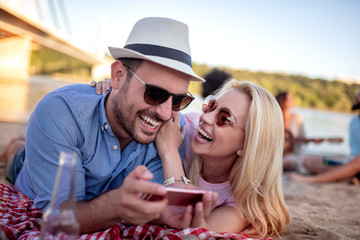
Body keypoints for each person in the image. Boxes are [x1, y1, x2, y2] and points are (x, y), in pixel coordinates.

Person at [0, 17, 219, 233]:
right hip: (31, 175)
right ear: (118, 76)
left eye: (179, 100)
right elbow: (60, 218)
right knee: (17, 158)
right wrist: (115, 205)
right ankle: (15, 149)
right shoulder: (62, 111)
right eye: (155, 93)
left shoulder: (171, 129)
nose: (165, 112)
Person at [155, 80, 290, 237]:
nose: (205, 118)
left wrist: (169, 152)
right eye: (211, 105)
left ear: (248, 144)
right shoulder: (187, 128)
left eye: (224, 118)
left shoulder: (245, 200)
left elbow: (193, 230)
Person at [290, 90, 360, 184]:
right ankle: (346, 175)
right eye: (358, 94)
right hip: (348, 163)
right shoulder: (354, 120)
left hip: (357, 163)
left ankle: (312, 180)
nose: (357, 96)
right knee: (308, 160)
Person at [275, 92, 306, 171]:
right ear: (282, 101)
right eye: (289, 99)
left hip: (290, 155)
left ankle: (276, 167)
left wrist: (313, 140)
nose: (292, 101)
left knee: (290, 160)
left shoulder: (297, 118)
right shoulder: (273, 116)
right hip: (274, 153)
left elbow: (303, 138)